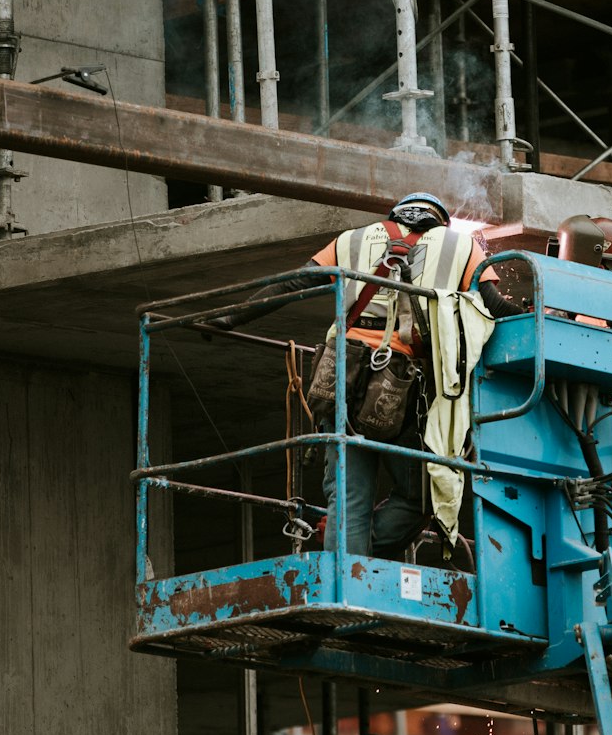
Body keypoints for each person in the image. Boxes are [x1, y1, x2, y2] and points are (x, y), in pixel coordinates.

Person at [211, 192, 517, 557]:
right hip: (400, 381)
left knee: (349, 494)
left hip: (341, 372)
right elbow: (495, 306)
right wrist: (547, 319)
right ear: (441, 220)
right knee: (424, 492)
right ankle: (361, 557)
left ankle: (347, 565)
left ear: (394, 215)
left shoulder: (351, 238)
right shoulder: (462, 245)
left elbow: (296, 283)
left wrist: (230, 316)